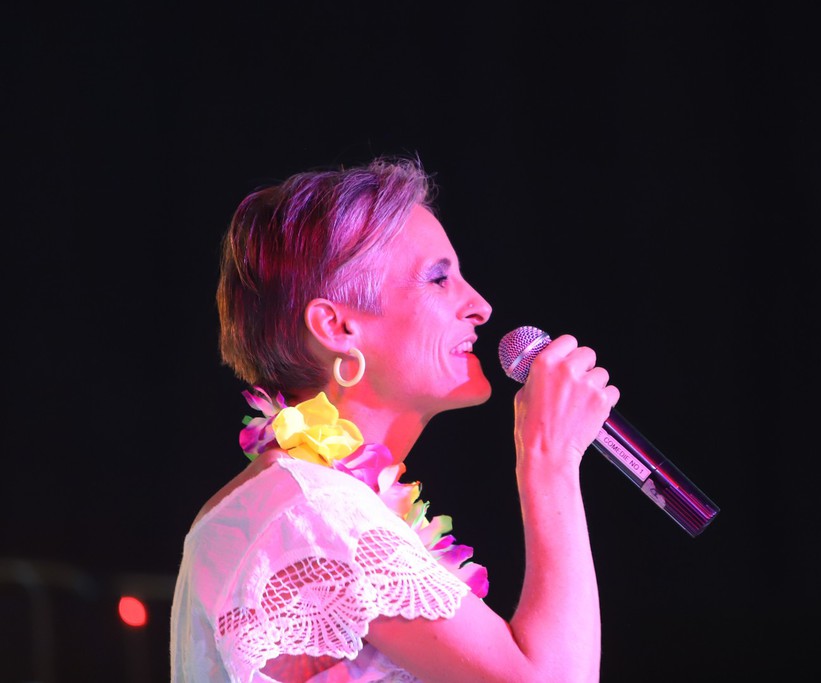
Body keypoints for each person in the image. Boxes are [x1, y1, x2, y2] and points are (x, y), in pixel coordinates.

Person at [169, 155, 619, 683]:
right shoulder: (307, 512)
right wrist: (550, 458)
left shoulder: (302, 502)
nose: (481, 306)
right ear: (337, 327)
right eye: (438, 279)